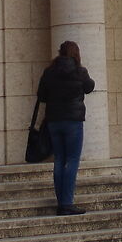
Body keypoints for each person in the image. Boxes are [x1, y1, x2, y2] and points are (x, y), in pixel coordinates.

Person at [36, 39, 97, 215]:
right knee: (72, 160)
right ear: (76, 54)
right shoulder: (79, 71)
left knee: (60, 160)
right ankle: (67, 203)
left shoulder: (49, 72)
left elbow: (41, 96)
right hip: (73, 122)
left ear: (60, 53)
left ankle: (61, 202)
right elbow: (90, 86)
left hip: (54, 121)